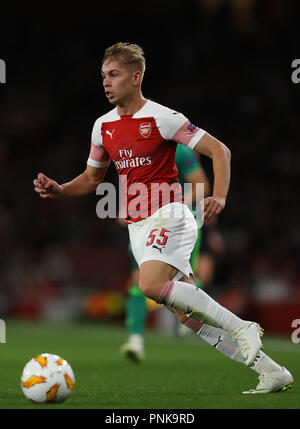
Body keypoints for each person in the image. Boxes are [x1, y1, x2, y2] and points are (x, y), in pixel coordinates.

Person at [33, 42, 293, 394]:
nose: (106, 82)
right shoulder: (103, 127)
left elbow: (219, 150)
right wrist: (60, 189)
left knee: (149, 285)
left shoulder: (163, 118)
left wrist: (219, 195)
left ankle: (243, 327)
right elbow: (93, 179)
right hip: (138, 228)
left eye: (114, 75)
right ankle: (273, 371)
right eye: (103, 76)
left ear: (136, 77)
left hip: (170, 214)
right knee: (187, 314)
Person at [120, 143, 211, 361]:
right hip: (146, 222)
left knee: (186, 277)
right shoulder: (132, 152)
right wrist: (125, 209)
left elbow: (202, 186)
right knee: (138, 279)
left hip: (178, 223)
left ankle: (191, 317)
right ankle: (135, 340)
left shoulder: (179, 150)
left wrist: (174, 207)